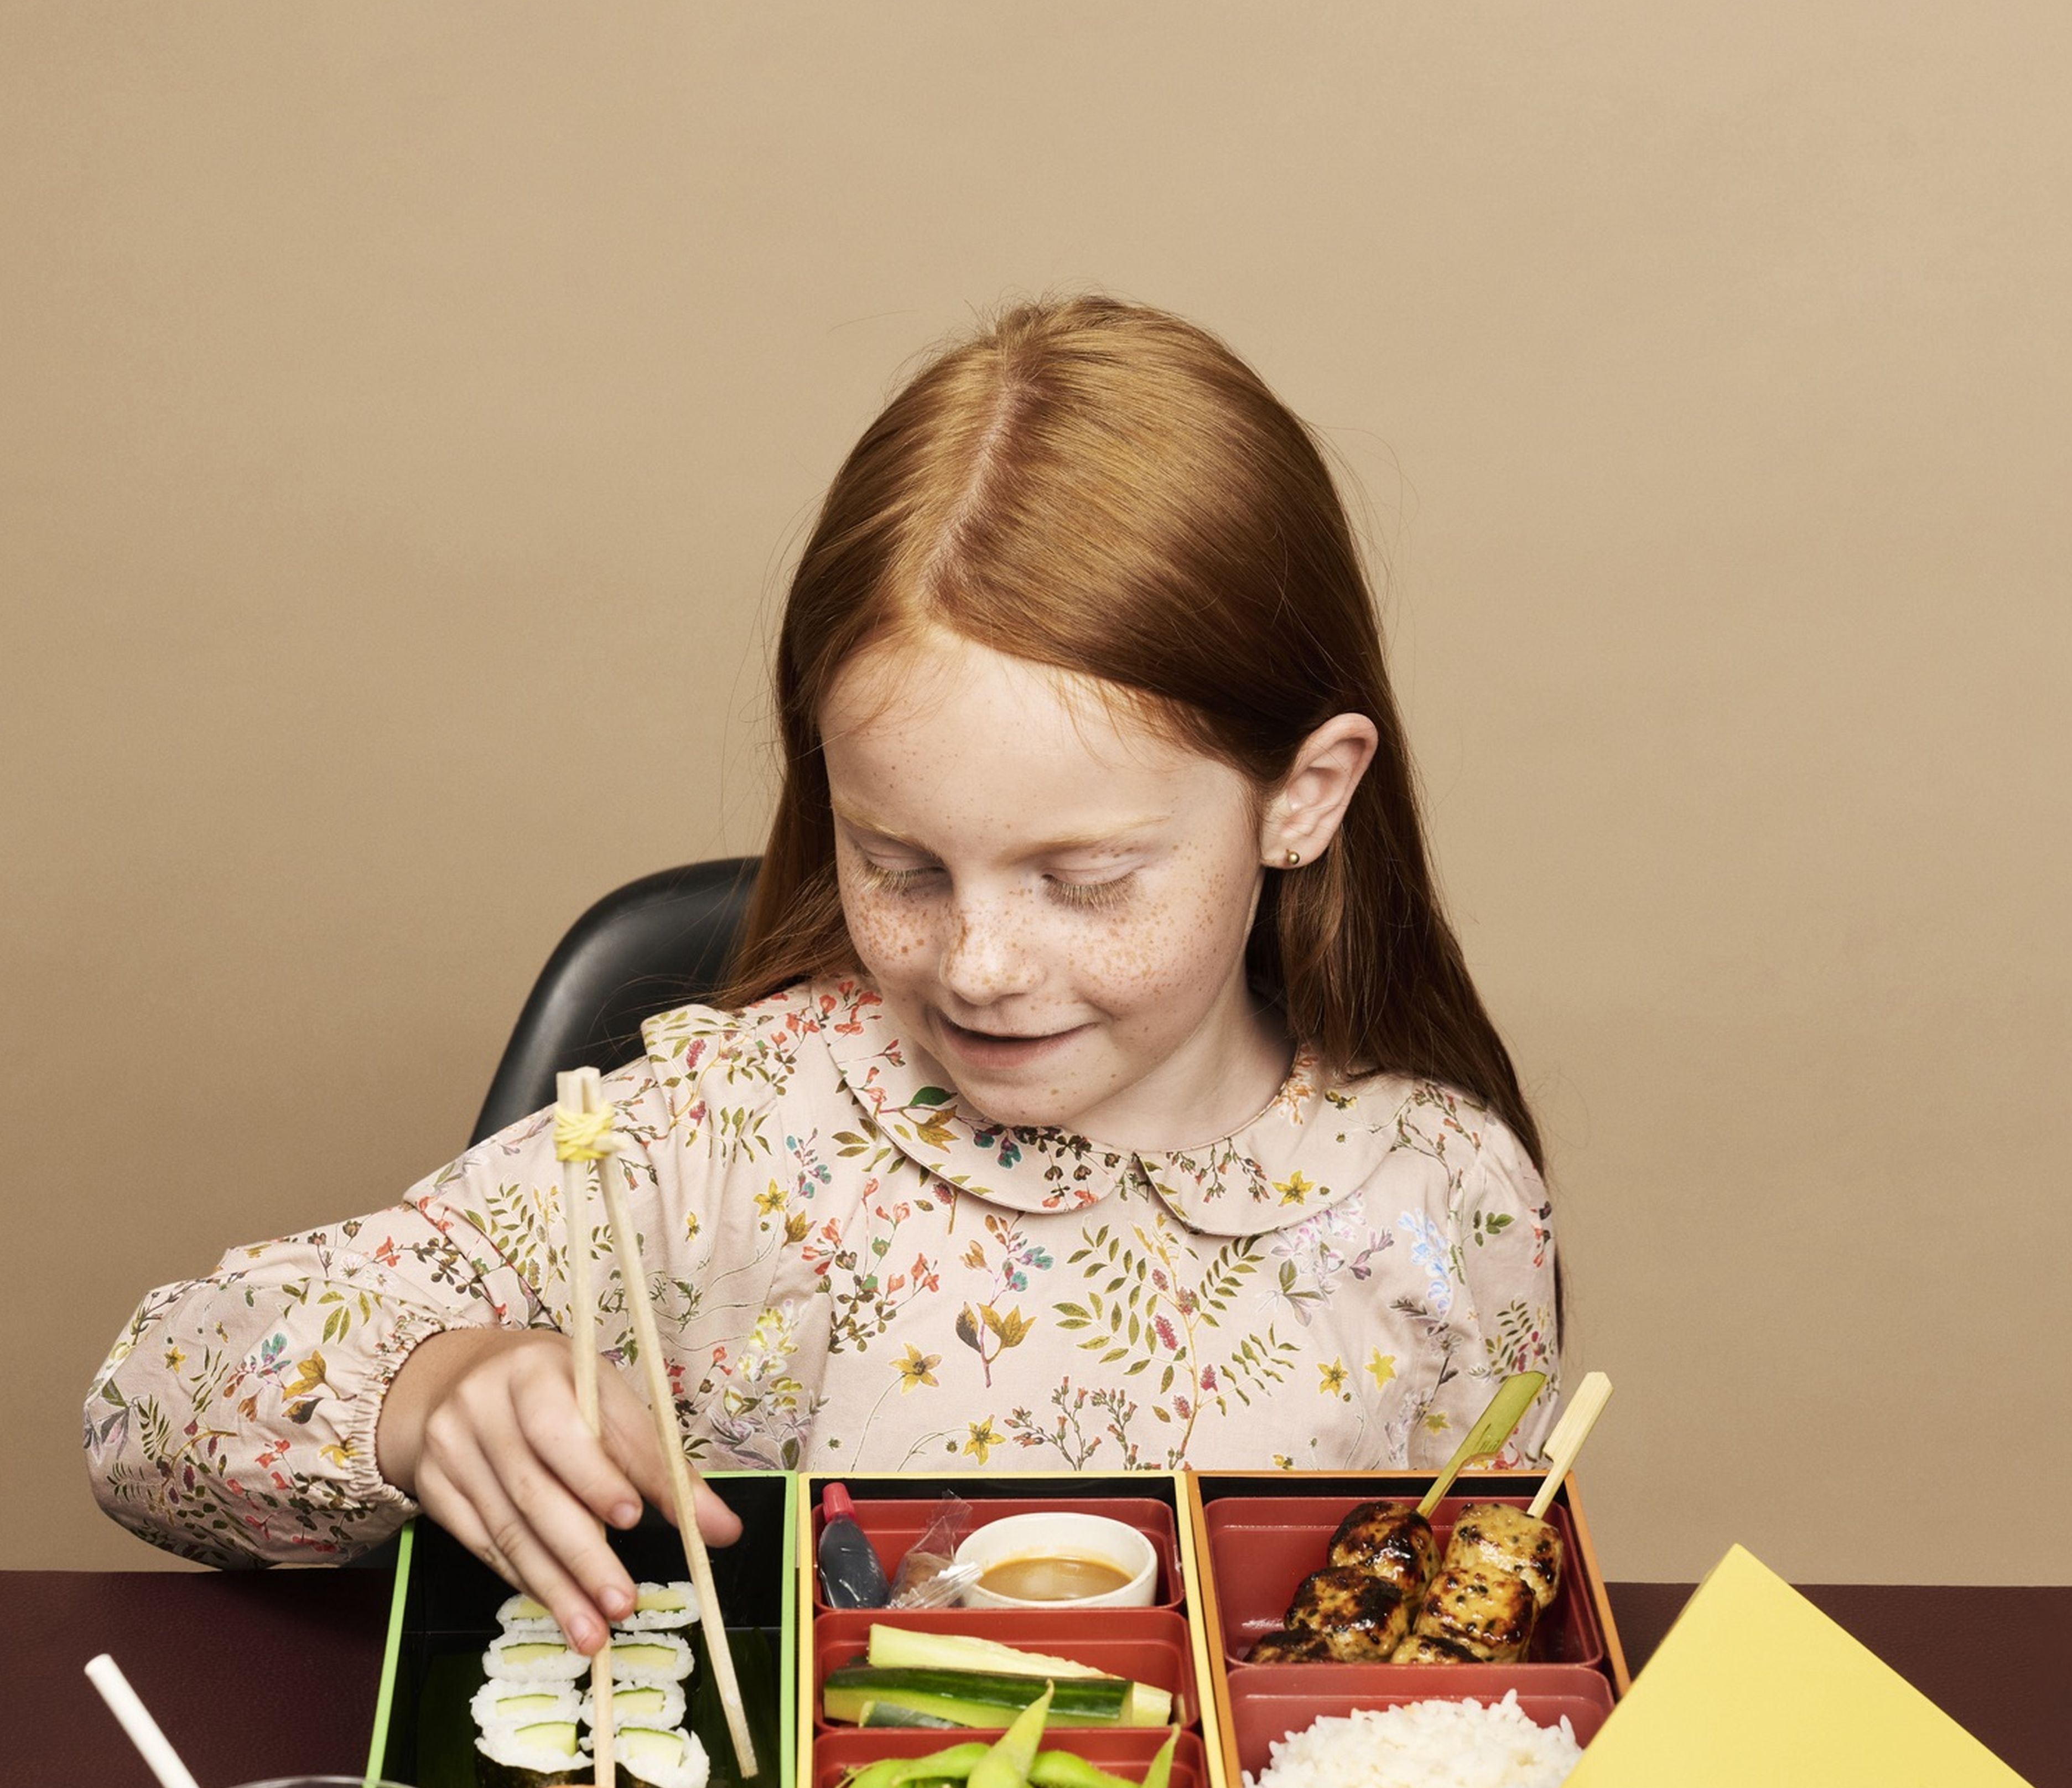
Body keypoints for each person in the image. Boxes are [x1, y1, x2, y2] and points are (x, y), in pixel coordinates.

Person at [86, 298, 1557, 1654]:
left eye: (1086, 880)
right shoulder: (727, 1139)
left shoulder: (1445, 1196)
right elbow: (143, 1410)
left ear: (1305, 795)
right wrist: (422, 1396)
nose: (977, 965)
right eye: (900, 866)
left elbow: (1482, 1636)